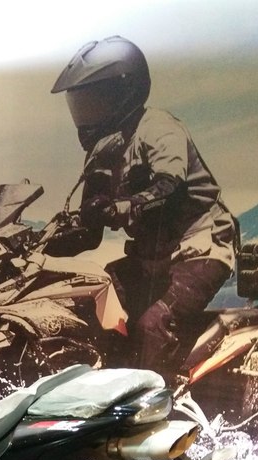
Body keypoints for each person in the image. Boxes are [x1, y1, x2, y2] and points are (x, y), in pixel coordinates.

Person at [50, 36, 238, 373]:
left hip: (200, 248)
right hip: (151, 258)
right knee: (91, 303)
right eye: (79, 104)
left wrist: (122, 207)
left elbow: (169, 186)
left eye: (93, 102)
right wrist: (36, 246)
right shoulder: (101, 155)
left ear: (124, 92)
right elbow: (88, 231)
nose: (85, 115)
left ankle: (154, 399)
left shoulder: (158, 128)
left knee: (154, 323)